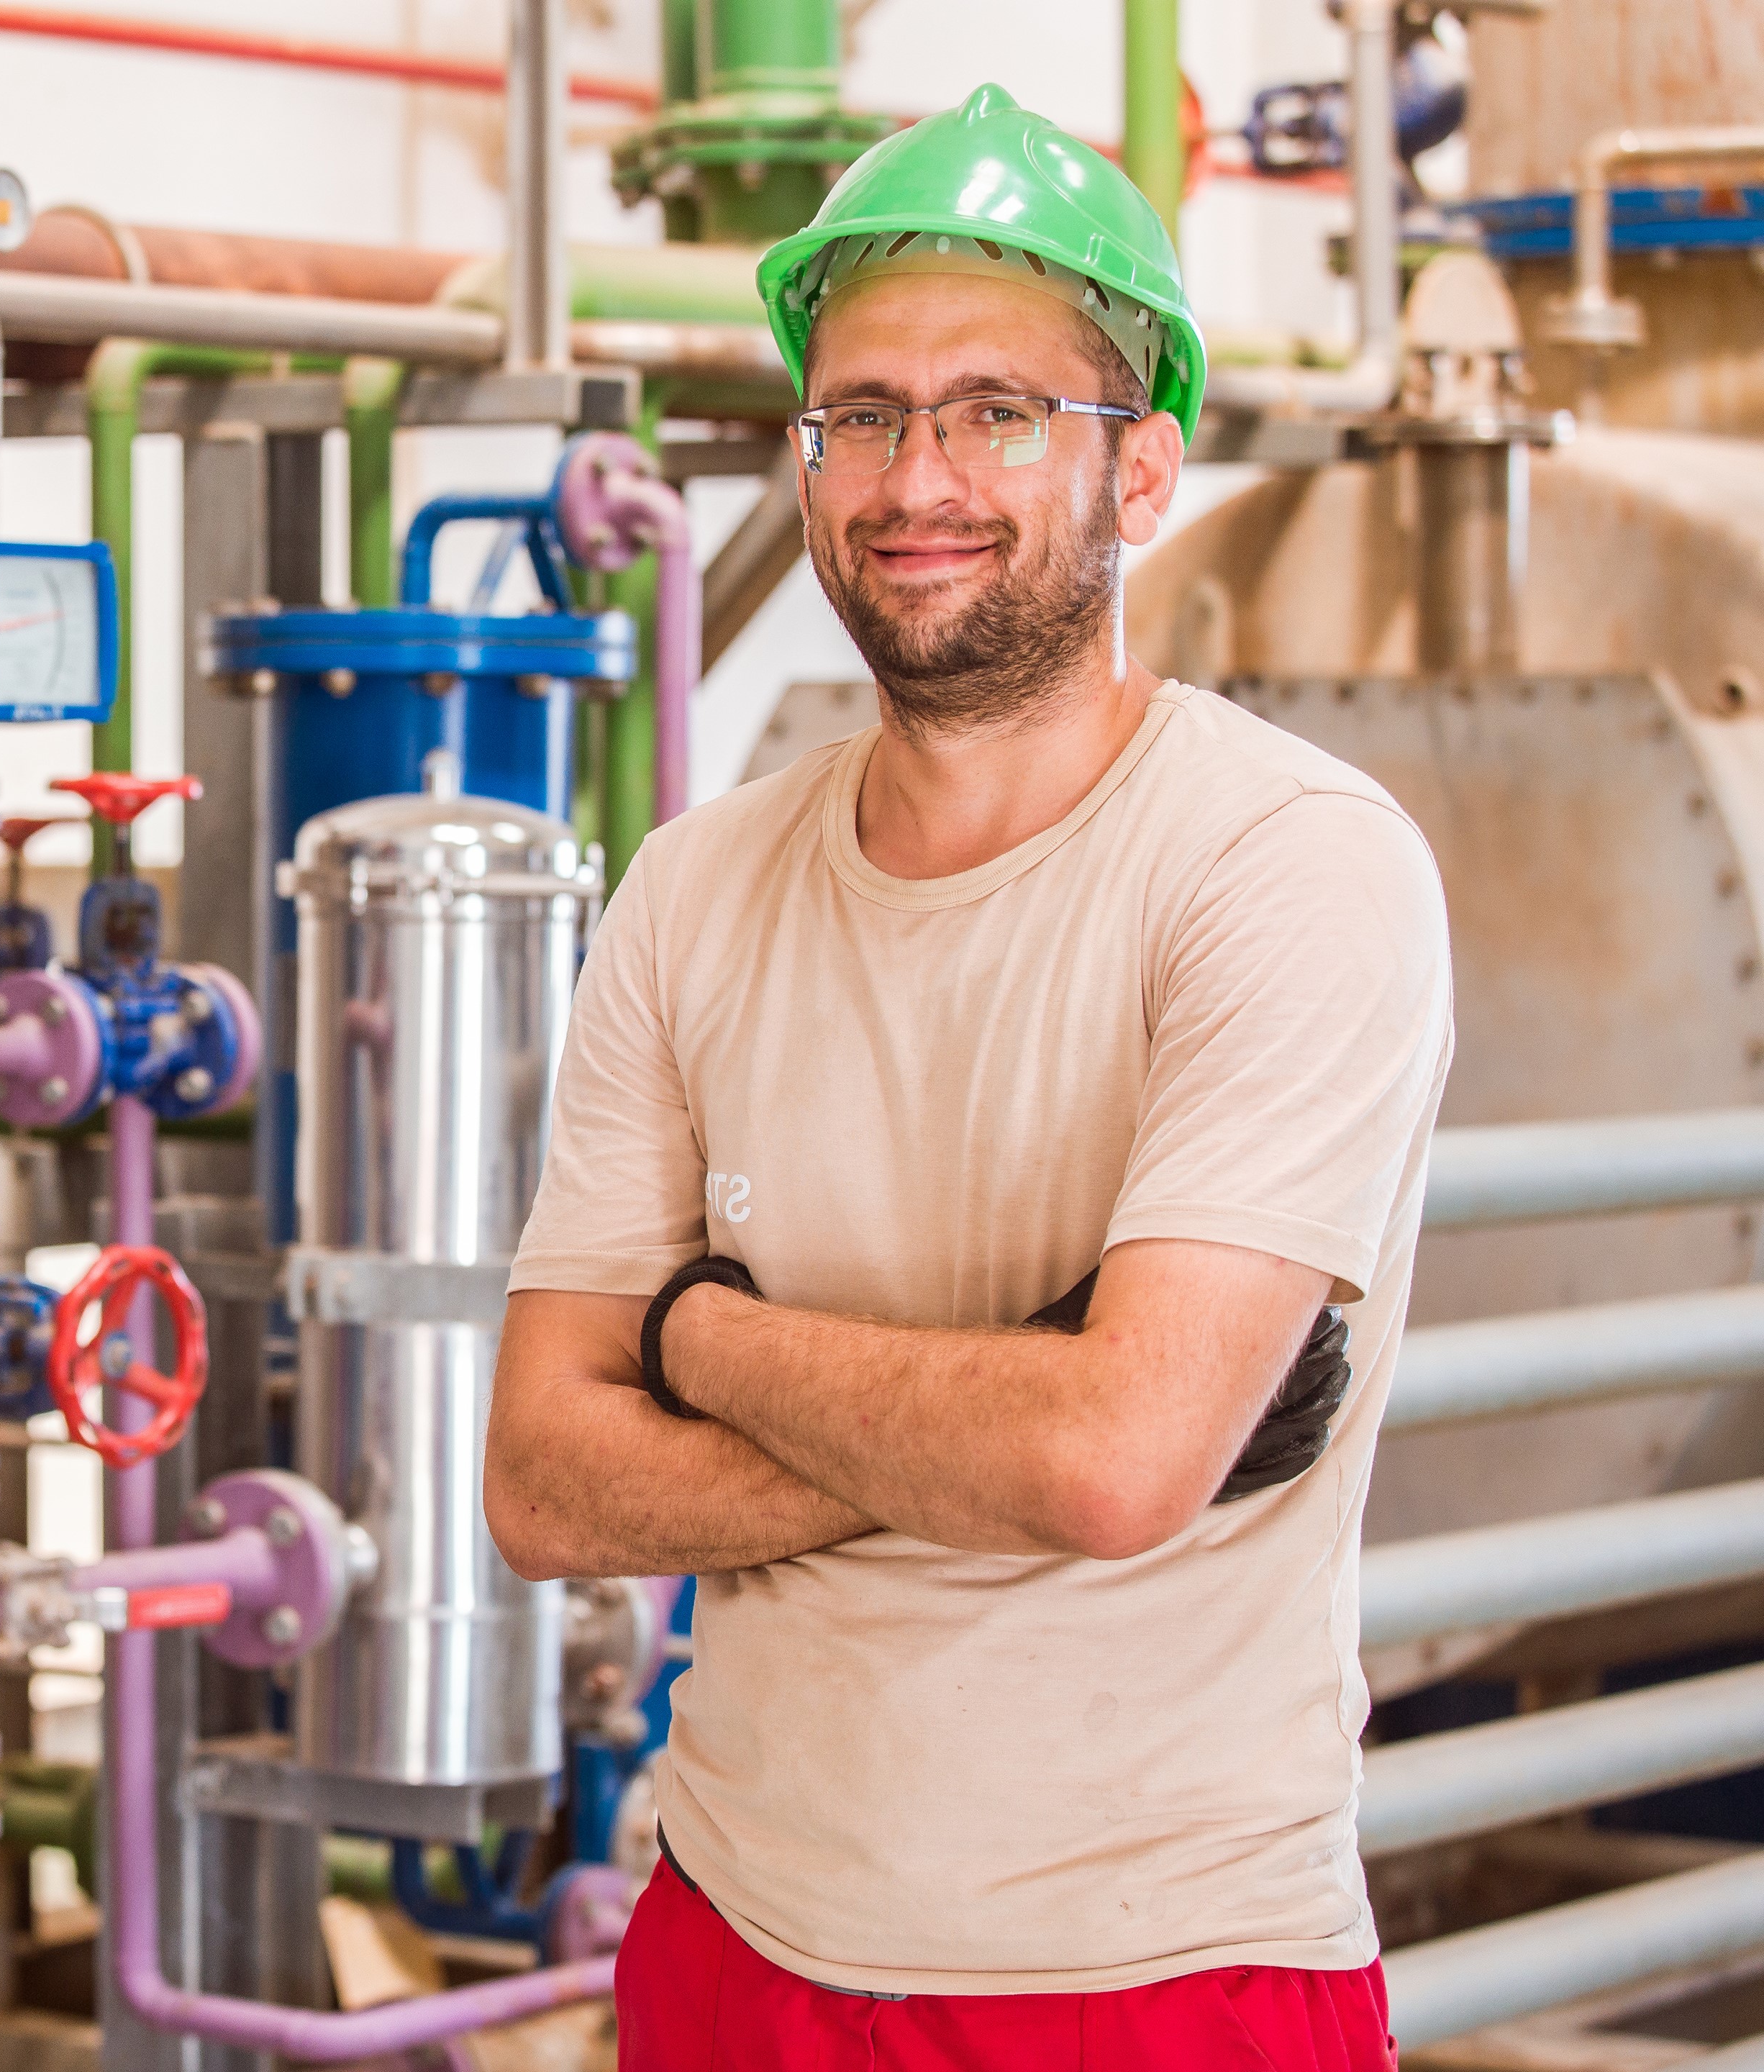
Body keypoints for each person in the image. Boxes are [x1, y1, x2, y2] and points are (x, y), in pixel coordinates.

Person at [486, 81, 1452, 2072]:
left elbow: (1107, 1462)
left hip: (1160, 1979)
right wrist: (996, 1409)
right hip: (732, 1941)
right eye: (860, 415)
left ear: (1145, 469)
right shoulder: (698, 885)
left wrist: (695, 1334)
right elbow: (539, 1481)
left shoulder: (1289, 861)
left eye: (1003, 410)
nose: (917, 474)